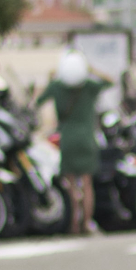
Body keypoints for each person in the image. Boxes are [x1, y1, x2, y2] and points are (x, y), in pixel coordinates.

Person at [41, 50, 107, 235]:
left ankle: (73, 225)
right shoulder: (89, 86)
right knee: (86, 184)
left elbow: (38, 100)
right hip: (87, 138)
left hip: (67, 138)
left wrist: (54, 77)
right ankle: (86, 223)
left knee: (70, 185)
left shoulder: (57, 87)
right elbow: (110, 82)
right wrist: (92, 70)